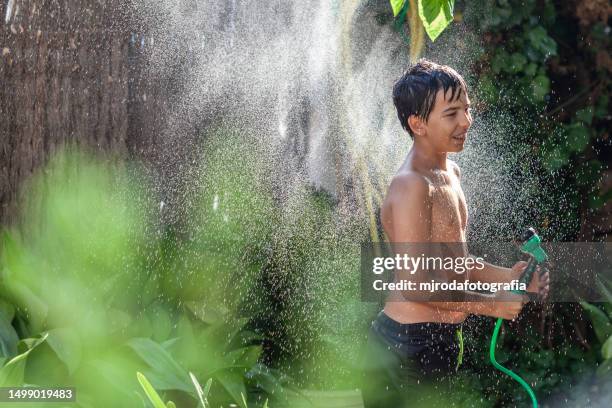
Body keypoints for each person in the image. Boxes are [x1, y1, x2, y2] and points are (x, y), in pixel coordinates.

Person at [361, 59, 550, 407]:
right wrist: (492, 305)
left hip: (441, 342)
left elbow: (456, 261)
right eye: (451, 113)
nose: (466, 121)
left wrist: (507, 278)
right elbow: (416, 284)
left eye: (467, 109)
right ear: (418, 123)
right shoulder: (410, 186)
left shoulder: (451, 173)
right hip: (405, 347)